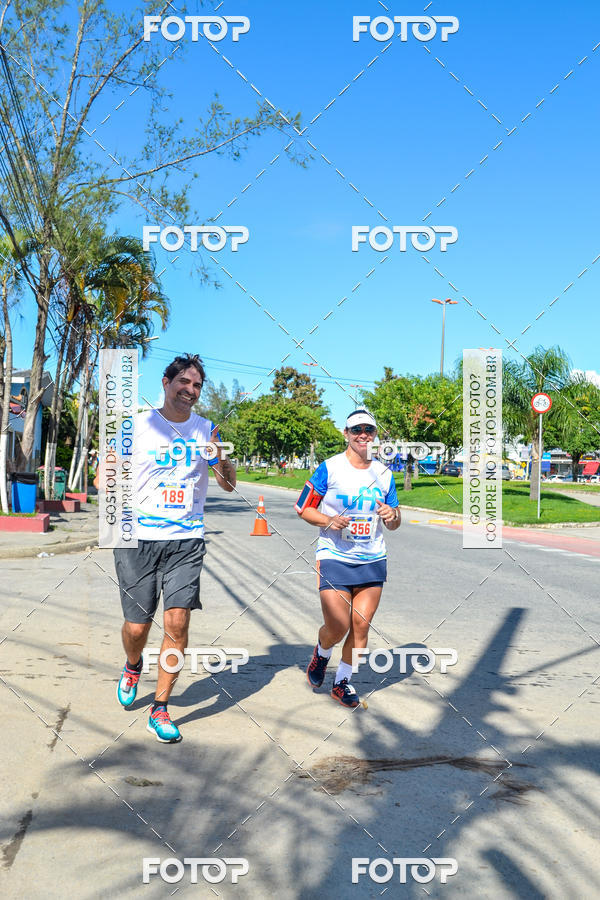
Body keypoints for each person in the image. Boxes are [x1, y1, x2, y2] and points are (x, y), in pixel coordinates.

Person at [95, 354, 236, 743]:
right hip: (137, 538)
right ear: (166, 382)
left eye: (197, 386)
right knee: (137, 627)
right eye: (184, 383)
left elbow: (227, 484)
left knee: (177, 623)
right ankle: (133, 663)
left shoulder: (206, 429)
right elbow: (103, 479)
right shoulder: (136, 425)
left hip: (186, 540)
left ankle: (160, 708)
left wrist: (221, 454)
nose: (190, 391)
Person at [295, 409, 400, 708]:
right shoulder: (330, 468)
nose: (363, 434)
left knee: (362, 625)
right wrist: (328, 520)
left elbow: (394, 520)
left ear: (375, 434)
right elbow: (303, 508)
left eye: (369, 429)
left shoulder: (384, 473)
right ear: (346, 433)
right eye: (357, 430)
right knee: (339, 626)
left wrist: (392, 516)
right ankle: (322, 651)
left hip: (372, 557)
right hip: (335, 556)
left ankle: (342, 682)